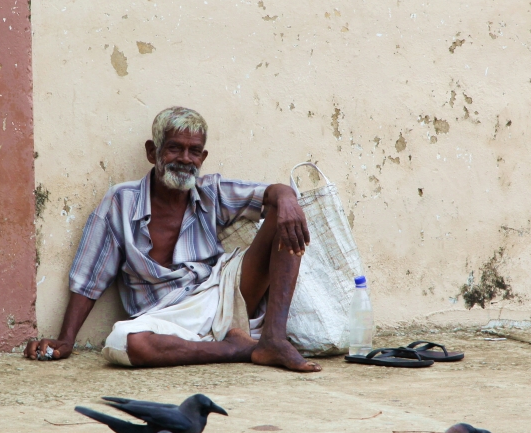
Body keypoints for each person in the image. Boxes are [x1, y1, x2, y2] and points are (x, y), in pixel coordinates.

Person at [24, 106, 321, 372]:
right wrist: (66, 339)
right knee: (126, 342)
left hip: (220, 295)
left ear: (203, 157)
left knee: (284, 214)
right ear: (153, 152)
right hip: (163, 318)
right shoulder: (121, 202)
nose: (185, 159)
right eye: (175, 148)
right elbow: (89, 278)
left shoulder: (211, 191)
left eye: (194, 151)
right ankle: (237, 349)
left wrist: (286, 196)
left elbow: (270, 193)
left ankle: (274, 337)